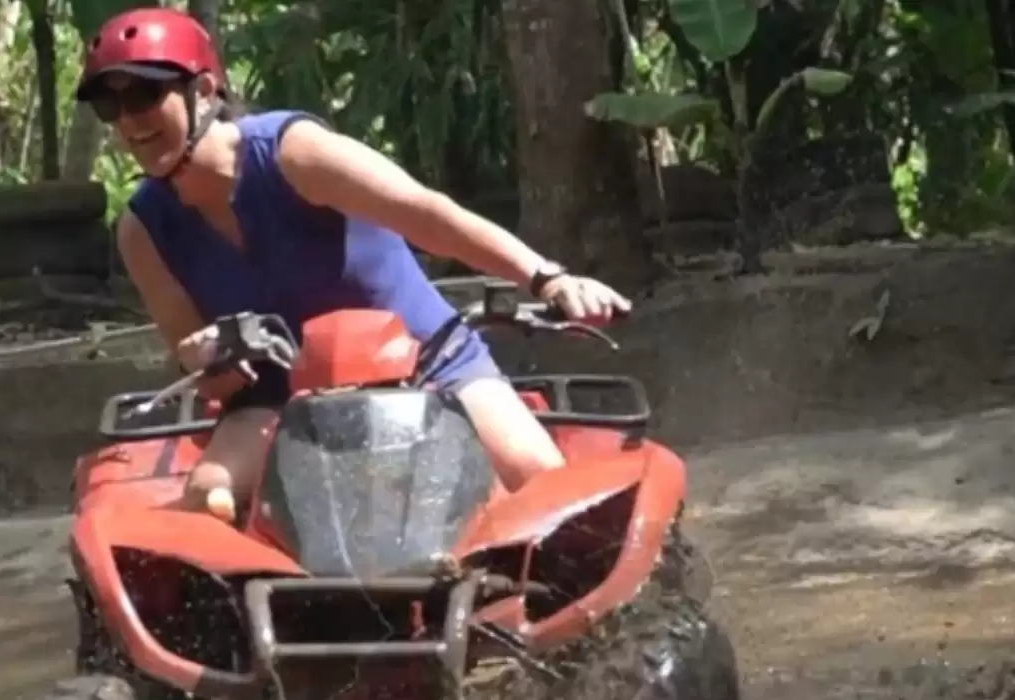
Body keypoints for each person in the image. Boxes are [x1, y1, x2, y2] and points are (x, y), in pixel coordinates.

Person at [75, 8, 632, 521]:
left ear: (203, 90)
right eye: (110, 106)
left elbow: (430, 216)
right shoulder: (142, 230)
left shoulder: (294, 153)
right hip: (276, 397)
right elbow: (205, 373)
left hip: (425, 364)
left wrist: (547, 276)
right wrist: (203, 358)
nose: (129, 123)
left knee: (542, 481)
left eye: (146, 96)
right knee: (206, 499)